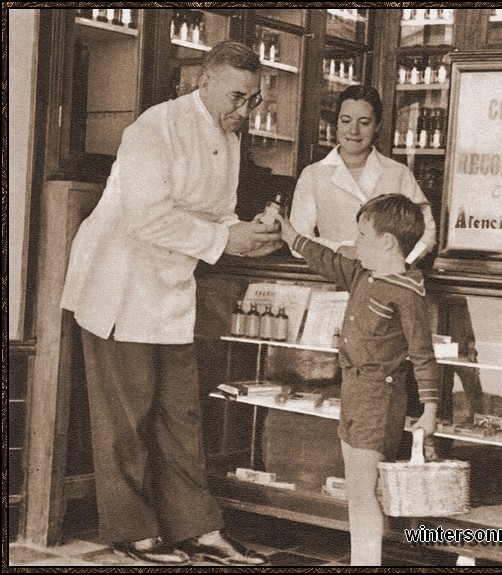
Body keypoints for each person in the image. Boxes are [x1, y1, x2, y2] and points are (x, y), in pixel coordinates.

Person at [60, 40, 283, 566]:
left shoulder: (229, 140)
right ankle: (133, 532)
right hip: (120, 284)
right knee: (128, 417)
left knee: (182, 413)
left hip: (171, 289)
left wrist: (247, 231)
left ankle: (198, 528)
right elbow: (148, 218)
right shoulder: (151, 131)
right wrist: (223, 241)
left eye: (252, 100)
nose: (244, 111)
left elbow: (218, 214)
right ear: (202, 82)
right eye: (236, 97)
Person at [276, 194, 440, 566]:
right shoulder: (363, 273)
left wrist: (430, 411)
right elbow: (326, 258)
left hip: (379, 400)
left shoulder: (407, 292)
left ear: (387, 242)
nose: (355, 242)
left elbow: (423, 356)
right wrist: (289, 233)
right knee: (358, 489)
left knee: (364, 493)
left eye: (363, 234)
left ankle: (366, 562)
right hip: (352, 392)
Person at [289, 85, 436, 264]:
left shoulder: (398, 173)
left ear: (377, 125)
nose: (354, 131)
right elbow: (297, 238)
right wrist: (339, 250)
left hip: (386, 279)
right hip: (331, 275)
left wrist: (402, 265)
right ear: (336, 123)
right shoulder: (314, 174)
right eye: (345, 121)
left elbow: (426, 232)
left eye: (364, 122)